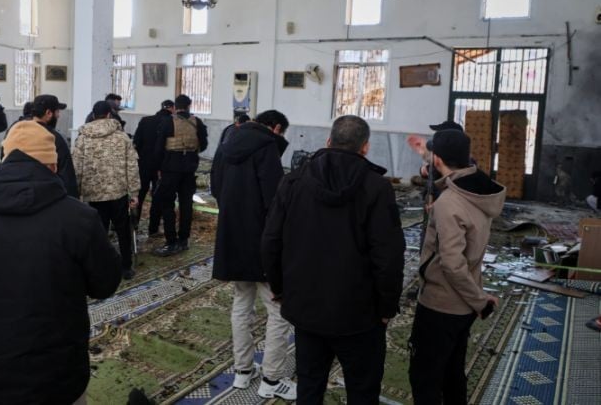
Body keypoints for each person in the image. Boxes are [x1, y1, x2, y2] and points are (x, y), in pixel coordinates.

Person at [0, 120, 122, 405]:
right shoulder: (80, 219)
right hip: (59, 371)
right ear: (53, 166)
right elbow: (105, 284)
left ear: (3, 160)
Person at [261, 115, 405, 403]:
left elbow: (270, 242)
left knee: (310, 385)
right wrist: (387, 306)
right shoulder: (377, 187)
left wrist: (279, 288)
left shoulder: (293, 181)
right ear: (365, 148)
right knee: (362, 390)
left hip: (306, 306)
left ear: (328, 141)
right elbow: (388, 256)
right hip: (360, 312)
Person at [409, 129, 505, 405]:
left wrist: (481, 302)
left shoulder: (449, 203)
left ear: (437, 160)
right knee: (452, 370)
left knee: (425, 376)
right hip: (466, 302)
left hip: (442, 304)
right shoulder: (479, 189)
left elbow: (451, 263)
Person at [211, 110, 296, 400]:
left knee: (241, 304)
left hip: (232, 237)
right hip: (260, 241)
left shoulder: (227, 142)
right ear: (275, 127)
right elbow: (275, 200)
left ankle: (242, 371)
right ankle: (271, 378)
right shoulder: (267, 147)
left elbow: (216, 188)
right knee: (278, 311)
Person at [73, 101, 141, 279]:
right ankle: (126, 267)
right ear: (109, 115)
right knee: (123, 230)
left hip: (93, 194)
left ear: (93, 115)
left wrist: (77, 193)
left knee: (98, 232)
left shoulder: (83, 138)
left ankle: (101, 267)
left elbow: (77, 167)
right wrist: (134, 193)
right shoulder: (122, 137)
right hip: (118, 192)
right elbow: (132, 166)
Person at [152, 94, 208, 256]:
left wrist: (159, 167)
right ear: (189, 105)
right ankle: (184, 240)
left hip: (170, 169)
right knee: (186, 205)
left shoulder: (168, 121)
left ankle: (171, 241)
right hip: (189, 169)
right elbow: (203, 145)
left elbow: (158, 148)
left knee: (167, 204)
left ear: (175, 107)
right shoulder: (197, 122)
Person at [132, 99, 175, 235]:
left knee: (140, 195)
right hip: (161, 167)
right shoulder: (171, 123)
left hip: (144, 164)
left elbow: (136, 142)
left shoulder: (145, 121)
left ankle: (134, 225)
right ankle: (153, 228)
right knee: (158, 197)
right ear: (172, 109)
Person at [32, 94, 79, 198]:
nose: (58, 115)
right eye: (57, 111)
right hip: (49, 198)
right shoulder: (54, 138)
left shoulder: (18, 134)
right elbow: (67, 177)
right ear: (49, 113)